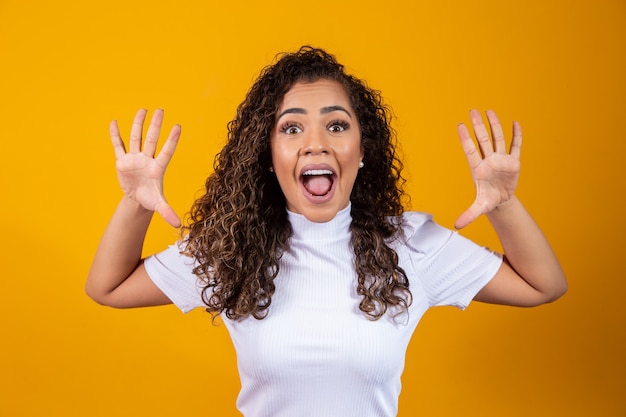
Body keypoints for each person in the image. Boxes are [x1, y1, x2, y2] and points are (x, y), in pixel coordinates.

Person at [85, 46, 567, 417]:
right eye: (291, 129)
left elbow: (542, 285)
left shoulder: (410, 245)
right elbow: (108, 287)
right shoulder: (232, 248)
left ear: (362, 150)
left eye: (336, 125)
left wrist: (504, 205)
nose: (315, 143)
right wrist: (134, 204)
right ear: (269, 157)